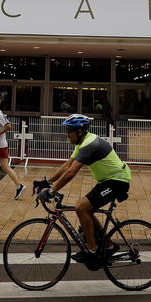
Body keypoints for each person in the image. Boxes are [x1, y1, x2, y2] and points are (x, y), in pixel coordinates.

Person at [34, 114, 131, 270]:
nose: (67, 134)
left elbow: (71, 172)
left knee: (81, 207)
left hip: (117, 181)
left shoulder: (89, 144)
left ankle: (92, 250)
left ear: (79, 131)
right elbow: (67, 165)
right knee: (86, 209)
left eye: (69, 131)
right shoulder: (82, 143)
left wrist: (51, 191)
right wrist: (47, 182)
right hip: (107, 181)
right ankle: (108, 245)